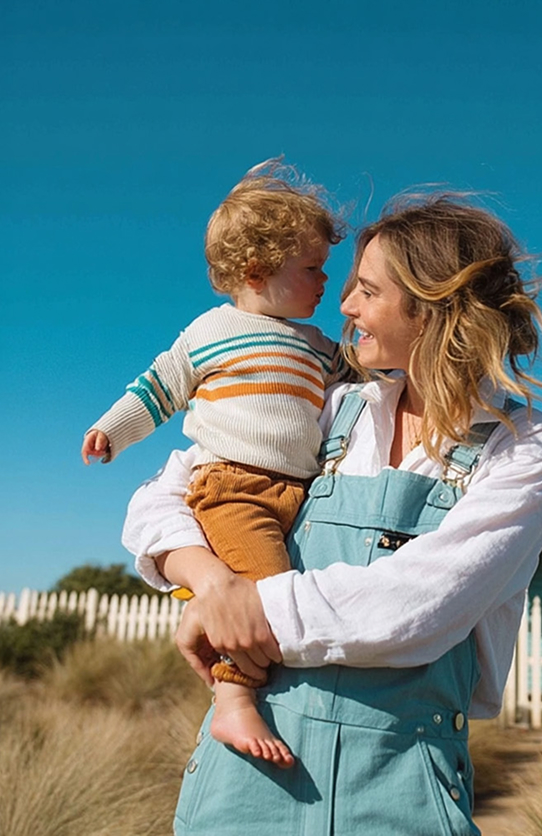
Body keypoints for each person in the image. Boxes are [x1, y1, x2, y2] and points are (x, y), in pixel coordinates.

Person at [123, 194, 542, 835]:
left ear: (434, 308)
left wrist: (247, 611)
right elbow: (163, 494)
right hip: (245, 771)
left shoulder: (521, 450)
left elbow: (419, 606)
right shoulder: (328, 406)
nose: (345, 307)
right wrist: (213, 585)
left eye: (368, 291)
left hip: (404, 789)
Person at [82, 160, 345, 766]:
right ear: (256, 271)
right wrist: (111, 431)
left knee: (277, 594)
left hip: (299, 492)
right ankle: (233, 703)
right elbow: (159, 386)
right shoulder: (211, 331)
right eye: (311, 269)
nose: (325, 280)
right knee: (263, 598)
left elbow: (365, 382)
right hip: (235, 489)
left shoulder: (318, 346)